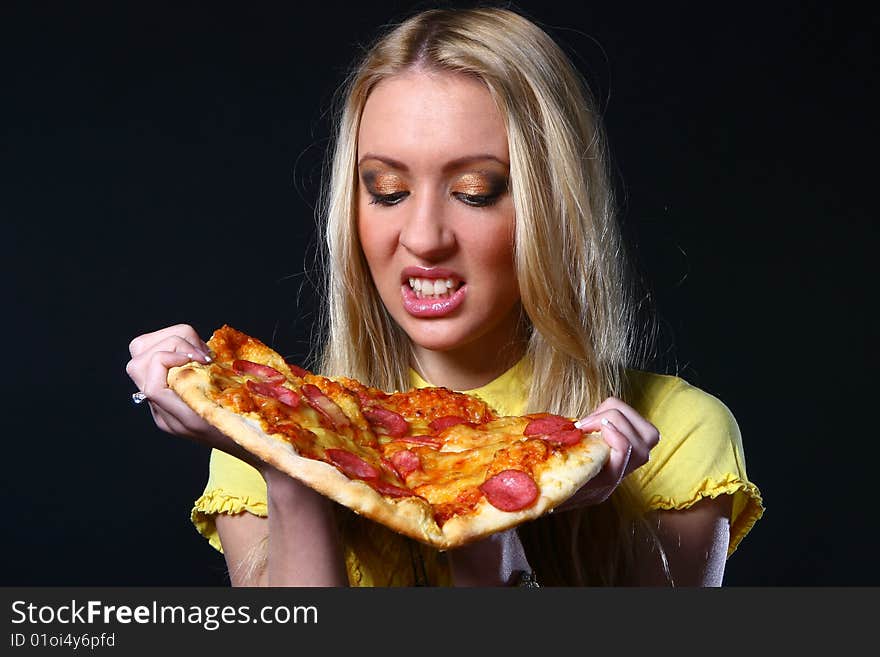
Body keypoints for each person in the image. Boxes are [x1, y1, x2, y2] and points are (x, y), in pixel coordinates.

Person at [125, 6, 763, 586]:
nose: (423, 238)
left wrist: (497, 510)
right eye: (387, 190)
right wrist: (288, 465)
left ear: (554, 209)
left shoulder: (678, 435)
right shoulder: (269, 422)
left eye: (475, 190)